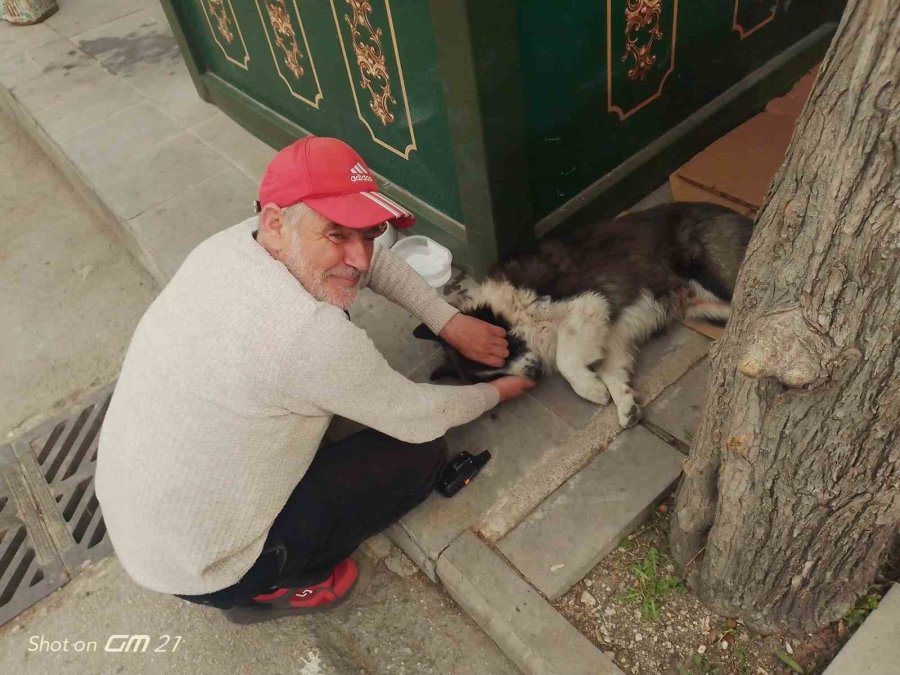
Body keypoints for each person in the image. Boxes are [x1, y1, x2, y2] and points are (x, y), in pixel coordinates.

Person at [94, 136, 535, 623]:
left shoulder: (233, 243)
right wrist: (498, 390)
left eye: (369, 234)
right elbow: (422, 416)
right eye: (337, 236)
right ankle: (269, 588)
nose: (363, 259)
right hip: (207, 567)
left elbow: (371, 260)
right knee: (420, 456)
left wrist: (445, 319)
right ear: (277, 223)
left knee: (334, 332)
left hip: (143, 518)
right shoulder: (307, 337)